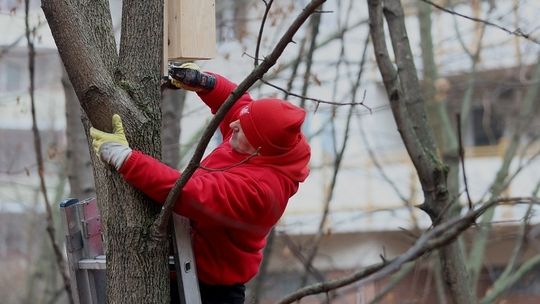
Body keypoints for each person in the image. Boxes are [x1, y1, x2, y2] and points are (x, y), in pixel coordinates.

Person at [90, 63, 311, 304]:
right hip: (185, 267)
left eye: (243, 127)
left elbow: (189, 193)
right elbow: (238, 104)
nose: (234, 125)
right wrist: (206, 84)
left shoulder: (259, 191)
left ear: (259, 150)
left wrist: (126, 159)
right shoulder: (260, 141)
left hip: (211, 290)